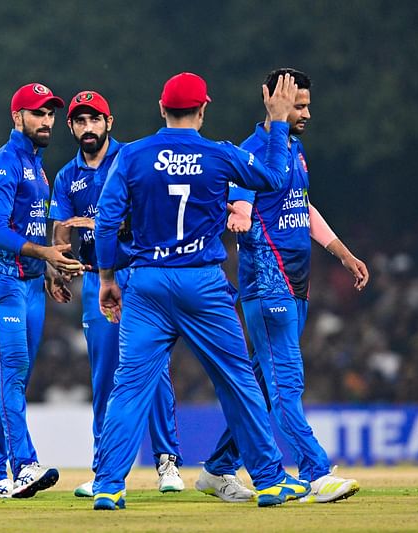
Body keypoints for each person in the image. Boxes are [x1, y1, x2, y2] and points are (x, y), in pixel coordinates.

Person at [91, 72, 312, 510]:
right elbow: (272, 178)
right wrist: (277, 123)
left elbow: (106, 220)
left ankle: (108, 486)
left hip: (148, 284)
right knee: (238, 380)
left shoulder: (132, 156)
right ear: (203, 109)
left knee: (130, 387)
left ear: (161, 108)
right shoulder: (219, 153)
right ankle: (268, 480)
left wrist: (106, 279)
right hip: (203, 284)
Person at [197, 68, 368, 504]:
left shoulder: (294, 147)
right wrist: (238, 214)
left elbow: (301, 208)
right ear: (274, 103)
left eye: (308, 104)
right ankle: (316, 471)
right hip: (267, 287)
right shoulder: (253, 151)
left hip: (296, 286)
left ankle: (218, 468)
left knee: (260, 384)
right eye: (298, 105)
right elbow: (241, 202)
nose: (306, 112)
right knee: (286, 386)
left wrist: (344, 254)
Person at [47, 90, 184, 497]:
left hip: (138, 275)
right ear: (71, 127)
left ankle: (168, 463)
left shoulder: (131, 159)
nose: (88, 128)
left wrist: (91, 221)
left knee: (154, 368)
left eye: (95, 119)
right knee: (104, 373)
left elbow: (139, 215)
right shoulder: (66, 176)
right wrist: (56, 269)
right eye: (80, 121)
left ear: (110, 122)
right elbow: (61, 230)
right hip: (93, 279)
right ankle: (104, 466)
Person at [0, 82, 84, 499]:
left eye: (50, 113)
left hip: (31, 283)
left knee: (12, 379)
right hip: (2, 279)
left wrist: (49, 267)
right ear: (17, 117)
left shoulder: (37, 166)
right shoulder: (4, 164)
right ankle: (24, 465)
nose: (47, 120)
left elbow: (32, 228)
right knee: (13, 374)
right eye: (38, 113)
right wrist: (46, 251)